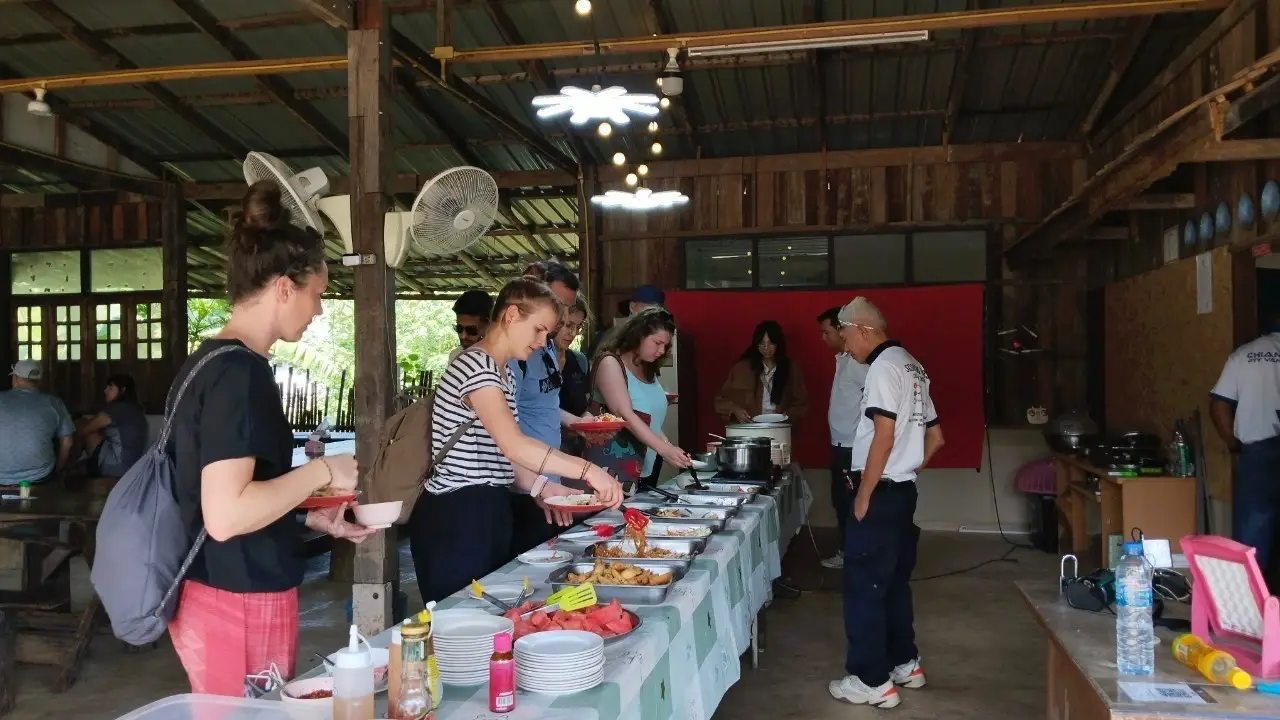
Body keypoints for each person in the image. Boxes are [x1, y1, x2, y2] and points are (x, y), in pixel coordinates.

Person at [166, 181, 374, 697]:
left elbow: (230, 493)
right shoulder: (239, 374)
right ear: (285, 287)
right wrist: (322, 471)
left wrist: (309, 515)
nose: (319, 311)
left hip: (230, 587)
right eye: (317, 294)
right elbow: (226, 515)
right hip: (233, 597)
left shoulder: (211, 361)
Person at [409, 277, 623, 603]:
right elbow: (514, 444)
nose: (541, 342)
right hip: (456, 513)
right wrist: (587, 470)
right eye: (538, 330)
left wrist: (543, 488)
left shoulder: (504, 370)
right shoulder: (474, 365)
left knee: (491, 614)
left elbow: (500, 451)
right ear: (510, 316)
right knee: (458, 619)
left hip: (489, 508)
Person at [829, 297, 944, 710]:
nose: (844, 347)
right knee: (893, 582)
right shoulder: (911, 364)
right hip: (902, 491)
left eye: (844, 336)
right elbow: (936, 437)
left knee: (865, 587)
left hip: (878, 493)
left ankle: (869, 679)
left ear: (861, 329)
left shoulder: (881, 368)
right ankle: (905, 662)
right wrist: (907, 473)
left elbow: (884, 434)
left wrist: (865, 494)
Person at [507, 260, 597, 554]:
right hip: (524, 487)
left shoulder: (544, 346)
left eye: (568, 309)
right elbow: (504, 429)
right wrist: (537, 486)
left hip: (550, 478)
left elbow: (543, 404)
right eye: (559, 305)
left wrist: (576, 424)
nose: (562, 317)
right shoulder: (515, 353)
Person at [585, 308, 691, 491]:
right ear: (638, 335)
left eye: (665, 346)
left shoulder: (647, 368)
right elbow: (624, 413)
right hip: (612, 468)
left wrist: (668, 448)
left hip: (644, 467)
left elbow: (651, 421)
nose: (661, 351)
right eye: (657, 343)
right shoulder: (610, 362)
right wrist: (664, 449)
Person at [1210, 313, 1280, 588]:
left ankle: (1250, 609)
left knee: (1253, 539)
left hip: (1257, 456)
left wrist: (1232, 442)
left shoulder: (1244, 356)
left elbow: (1219, 405)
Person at [817, 308, 868, 570]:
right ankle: (849, 551)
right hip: (839, 445)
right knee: (840, 501)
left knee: (850, 502)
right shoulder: (843, 360)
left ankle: (855, 555)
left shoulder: (859, 364)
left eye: (826, 332)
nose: (823, 338)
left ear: (841, 329)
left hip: (853, 448)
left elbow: (875, 401)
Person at [714, 320, 809, 424]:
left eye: (771, 343)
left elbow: (801, 402)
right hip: (748, 428)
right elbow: (721, 400)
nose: (766, 348)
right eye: (762, 344)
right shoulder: (741, 369)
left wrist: (789, 415)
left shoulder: (791, 369)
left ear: (778, 343)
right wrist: (735, 410)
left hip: (778, 428)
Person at [0, 360, 74, 486]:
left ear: (16, 378)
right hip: (40, 476)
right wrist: (58, 469)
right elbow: (68, 442)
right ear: (39, 381)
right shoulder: (54, 403)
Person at [76, 374, 148, 478]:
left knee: (83, 425)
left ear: (123, 390)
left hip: (117, 467)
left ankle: (67, 465)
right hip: (134, 466)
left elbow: (85, 430)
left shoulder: (115, 409)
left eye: (110, 387)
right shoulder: (137, 410)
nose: (105, 391)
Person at [557, 296, 591, 456]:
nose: (573, 333)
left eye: (578, 327)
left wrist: (590, 421)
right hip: (544, 447)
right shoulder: (532, 360)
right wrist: (574, 422)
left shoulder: (580, 360)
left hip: (576, 448)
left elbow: (584, 406)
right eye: (568, 325)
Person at [447, 290, 493, 365]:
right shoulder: (455, 356)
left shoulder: (502, 359)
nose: (463, 336)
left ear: (488, 325)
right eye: (459, 328)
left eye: (471, 330)